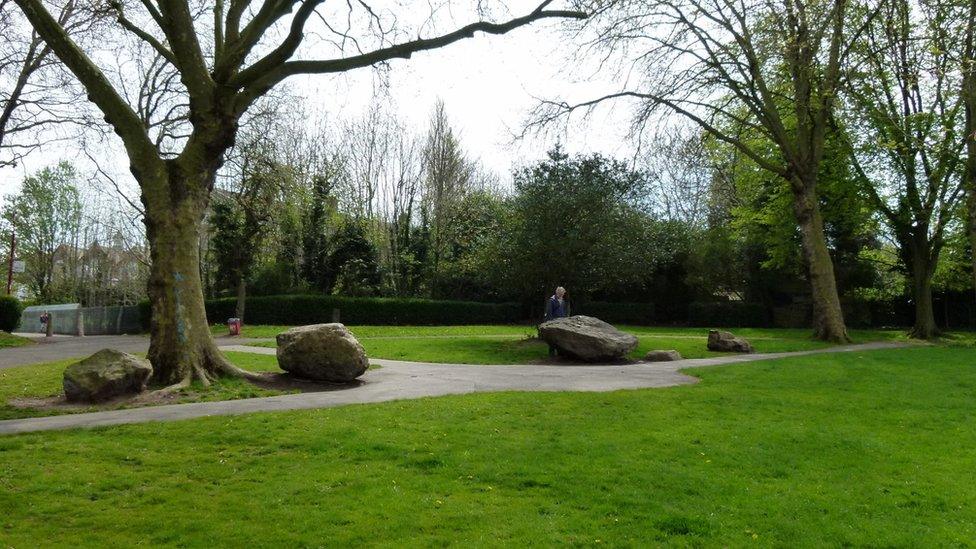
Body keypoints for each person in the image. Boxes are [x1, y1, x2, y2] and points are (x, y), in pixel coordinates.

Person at [544, 286, 569, 356]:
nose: (563, 294)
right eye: (562, 293)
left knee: (561, 339)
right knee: (553, 338)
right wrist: (550, 322)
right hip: (554, 322)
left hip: (562, 322)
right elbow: (549, 312)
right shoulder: (551, 300)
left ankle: (560, 353)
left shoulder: (563, 301)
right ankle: (551, 354)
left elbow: (564, 312)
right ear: (558, 292)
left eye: (563, 293)